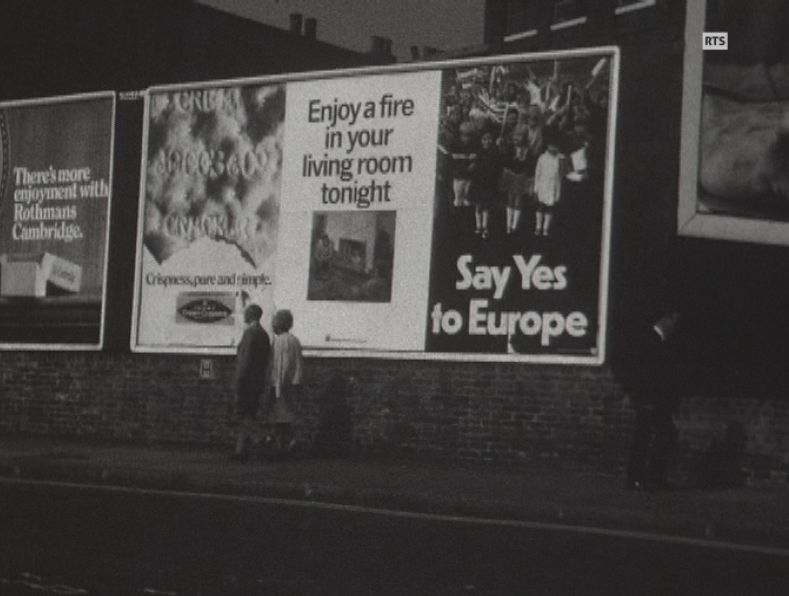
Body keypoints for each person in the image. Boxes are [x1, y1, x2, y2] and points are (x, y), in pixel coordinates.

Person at [624, 311, 683, 490]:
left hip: (650, 399)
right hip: (650, 399)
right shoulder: (651, 341)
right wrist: (646, 398)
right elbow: (645, 373)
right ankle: (645, 477)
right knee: (654, 435)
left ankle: (643, 477)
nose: (675, 326)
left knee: (647, 436)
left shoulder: (655, 341)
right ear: (664, 319)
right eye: (673, 320)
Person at [232, 304, 271, 462]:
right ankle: (239, 451)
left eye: (245, 314)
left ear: (250, 316)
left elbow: (244, 361)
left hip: (247, 381)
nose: (243, 316)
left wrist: (238, 381)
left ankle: (263, 435)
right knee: (249, 414)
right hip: (258, 380)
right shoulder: (264, 334)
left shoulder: (250, 333)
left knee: (240, 415)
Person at [267, 309, 303, 458]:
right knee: (286, 416)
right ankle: (286, 444)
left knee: (279, 417)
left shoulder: (281, 341)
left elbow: (282, 365)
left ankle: (282, 445)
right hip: (293, 383)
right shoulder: (295, 340)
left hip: (282, 384)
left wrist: (277, 388)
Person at [469, 127, 503, 238]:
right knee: (478, 205)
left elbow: (498, 167)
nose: (487, 141)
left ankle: (485, 226)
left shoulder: (495, 153)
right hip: (479, 182)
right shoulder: (478, 153)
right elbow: (474, 169)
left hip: (489, 183)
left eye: (489, 139)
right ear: (481, 141)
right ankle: (478, 226)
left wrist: (499, 147)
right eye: (484, 139)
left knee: (487, 206)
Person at [533, 131, 567, 237]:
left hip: (554, 186)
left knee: (550, 207)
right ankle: (538, 227)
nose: (553, 148)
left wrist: (558, 193)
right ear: (547, 146)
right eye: (551, 146)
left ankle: (545, 228)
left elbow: (560, 176)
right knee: (540, 206)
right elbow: (537, 173)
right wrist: (536, 188)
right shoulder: (542, 158)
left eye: (555, 146)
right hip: (542, 185)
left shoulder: (560, 159)